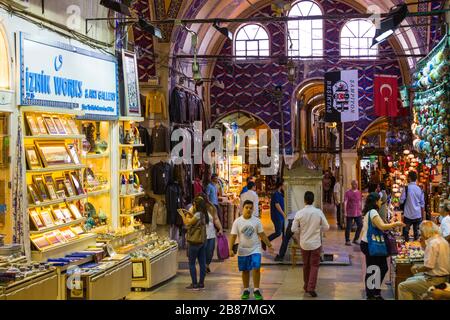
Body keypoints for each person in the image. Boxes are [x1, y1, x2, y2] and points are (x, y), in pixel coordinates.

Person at [360, 192, 404, 300]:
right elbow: (382, 226)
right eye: (379, 200)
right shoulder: (373, 212)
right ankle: (371, 294)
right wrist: (395, 224)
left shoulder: (371, 212)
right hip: (370, 243)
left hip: (370, 243)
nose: (380, 202)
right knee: (374, 268)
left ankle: (375, 291)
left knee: (381, 267)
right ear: (375, 201)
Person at [229, 200, 274, 300]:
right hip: (243, 250)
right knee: (245, 271)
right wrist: (230, 249)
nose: (249, 210)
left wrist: (269, 245)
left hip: (255, 249)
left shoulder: (256, 221)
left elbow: (262, 234)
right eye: (247, 208)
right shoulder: (237, 221)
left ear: (253, 209)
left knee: (256, 268)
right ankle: (246, 290)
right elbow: (233, 236)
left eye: (250, 208)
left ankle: (256, 290)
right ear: (242, 209)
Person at [398, 221, 450, 300]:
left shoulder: (432, 243)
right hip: (442, 277)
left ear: (425, 232)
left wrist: (417, 269)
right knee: (409, 280)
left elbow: (429, 267)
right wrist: (424, 246)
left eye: (421, 232)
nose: (420, 234)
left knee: (402, 286)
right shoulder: (442, 240)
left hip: (434, 279)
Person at [291, 191, 329, 297]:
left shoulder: (299, 213)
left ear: (304, 200)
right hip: (315, 243)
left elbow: (293, 229)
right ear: (313, 200)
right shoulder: (318, 212)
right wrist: (318, 228)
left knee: (306, 265)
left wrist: (301, 231)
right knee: (314, 266)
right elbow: (327, 227)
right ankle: (311, 287)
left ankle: (306, 285)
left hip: (304, 243)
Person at [179, 197, 209, 290]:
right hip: (202, 241)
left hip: (194, 241)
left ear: (197, 205)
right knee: (202, 262)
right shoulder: (204, 214)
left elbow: (187, 224)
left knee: (192, 263)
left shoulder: (197, 215)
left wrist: (182, 215)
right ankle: (201, 283)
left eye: (194, 204)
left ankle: (194, 283)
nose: (193, 206)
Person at [189, 195, 224, 273]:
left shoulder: (211, 208)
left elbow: (216, 219)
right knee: (202, 252)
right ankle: (203, 266)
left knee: (210, 251)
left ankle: (206, 264)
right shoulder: (193, 208)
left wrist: (220, 228)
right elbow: (189, 220)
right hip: (199, 235)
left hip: (210, 234)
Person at [400, 171, 425, 241]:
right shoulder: (419, 189)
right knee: (416, 235)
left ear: (409, 178)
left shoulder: (406, 188)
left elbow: (401, 201)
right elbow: (422, 204)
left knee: (406, 234)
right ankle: (416, 250)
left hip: (408, 215)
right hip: (417, 215)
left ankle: (407, 247)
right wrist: (422, 217)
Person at [267, 181, 287, 245]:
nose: (285, 187)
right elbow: (277, 205)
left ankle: (283, 248)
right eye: (284, 186)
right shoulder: (276, 194)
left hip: (281, 216)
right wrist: (283, 214)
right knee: (278, 233)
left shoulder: (281, 194)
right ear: (280, 186)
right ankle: (265, 241)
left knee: (284, 232)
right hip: (277, 216)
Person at [344, 180, 363, 246]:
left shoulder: (359, 193)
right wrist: (345, 212)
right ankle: (347, 240)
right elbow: (345, 202)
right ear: (352, 184)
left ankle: (355, 239)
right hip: (349, 212)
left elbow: (360, 202)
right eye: (354, 184)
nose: (356, 185)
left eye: (357, 184)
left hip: (358, 212)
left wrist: (361, 210)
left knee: (360, 225)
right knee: (348, 227)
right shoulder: (347, 193)